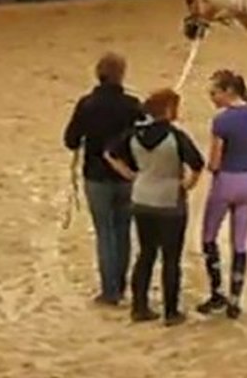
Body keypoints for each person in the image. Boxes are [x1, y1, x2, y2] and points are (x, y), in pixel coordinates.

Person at [106, 89, 205, 326]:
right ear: (169, 110)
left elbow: (110, 153)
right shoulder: (176, 136)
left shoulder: (134, 134)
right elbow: (197, 164)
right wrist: (187, 185)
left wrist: (131, 175)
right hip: (170, 200)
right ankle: (171, 311)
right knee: (171, 258)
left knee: (146, 254)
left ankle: (140, 307)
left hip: (142, 198)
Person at [64, 53, 143, 305]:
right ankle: (120, 284)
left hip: (97, 176)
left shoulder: (87, 104)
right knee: (123, 231)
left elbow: (71, 140)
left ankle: (110, 291)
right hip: (126, 176)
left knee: (104, 233)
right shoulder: (132, 104)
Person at [197, 70, 247, 320]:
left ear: (228, 91)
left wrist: (211, 168)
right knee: (240, 241)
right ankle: (236, 299)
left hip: (225, 181)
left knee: (208, 237)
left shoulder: (222, 121)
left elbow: (215, 161)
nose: (212, 98)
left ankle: (217, 292)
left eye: (215, 93)